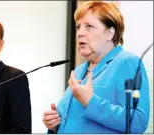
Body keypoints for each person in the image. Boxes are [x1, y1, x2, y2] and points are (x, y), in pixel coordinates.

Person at [43, 1, 150, 134]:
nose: (80, 33)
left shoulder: (127, 62)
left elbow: (138, 122)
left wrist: (91, 102)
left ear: (109, 33)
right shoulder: (78, 71)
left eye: (89, 26)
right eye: (78, 27)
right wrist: (54, 125)